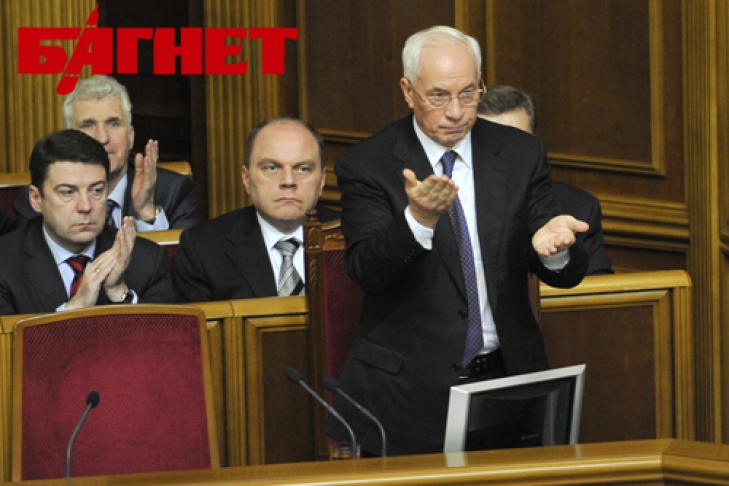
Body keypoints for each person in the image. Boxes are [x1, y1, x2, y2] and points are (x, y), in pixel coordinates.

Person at [326, 26, 589, 456]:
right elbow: (367, 272)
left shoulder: (520, 153)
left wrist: (556, 251)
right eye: (438, 96)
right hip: (407, 398)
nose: (456, 112)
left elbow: (560, 265)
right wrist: (418, 220)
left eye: (468, 94)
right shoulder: (369, 164)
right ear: (408, 91)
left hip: (507, 385)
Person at [0, 130, 175, 316]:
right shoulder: (5, 263)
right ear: (36, 199)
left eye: (96, 190)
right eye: (68, 192)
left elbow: (165, 334)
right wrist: (74, 308)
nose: (85, 206)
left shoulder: (147, 260)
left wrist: (120, 294)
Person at [174, 118, 339, 302]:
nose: (288, 181)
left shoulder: (354, 237)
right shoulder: (203, 249)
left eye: (303, 169)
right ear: (246, 178)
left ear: (322, 179)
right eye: (271, 168)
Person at [13, 75, 199, 230]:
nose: (102, 138)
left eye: (113, 124)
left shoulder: (173, 191)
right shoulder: (42, 198)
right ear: (68, 138)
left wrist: (146, 214)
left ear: (131, 136)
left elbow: (177, 262)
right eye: (88, 125)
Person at [478, 85, 613, 275]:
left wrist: (557, 255)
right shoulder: (448, 205)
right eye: (491, 146)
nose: (503, 157)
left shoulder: (579, 208)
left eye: (516, 142)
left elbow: (597, 287)